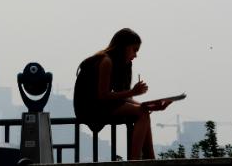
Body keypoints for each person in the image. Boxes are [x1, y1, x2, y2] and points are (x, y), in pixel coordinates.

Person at [73, 28, 171, 160]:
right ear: (123, 47)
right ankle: (135, 161)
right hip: (90, 108)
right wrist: (134, 92)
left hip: (104, 105)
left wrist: (147, 105)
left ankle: (150, 158)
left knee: (143, 111)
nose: (135, 55)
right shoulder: (106, 61)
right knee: (142, 112)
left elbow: (124, 97)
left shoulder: (125, 65)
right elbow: (103, 95)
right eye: (134, 50)